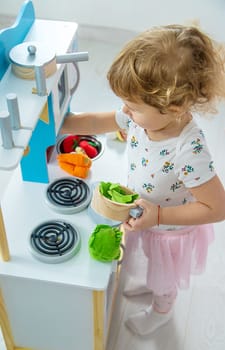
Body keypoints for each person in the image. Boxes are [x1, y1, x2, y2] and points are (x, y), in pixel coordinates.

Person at [61, 24, 225, 335]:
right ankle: (152, 287)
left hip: (169, 231)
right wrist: (62, 124)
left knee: (163, 276)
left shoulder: (188, 150)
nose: (125, 111)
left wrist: (160, 216)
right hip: (145, 216)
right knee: (147, 263)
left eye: (133, 107)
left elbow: (217, 208)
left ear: (173, 107)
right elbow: (101, 120)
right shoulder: (144, 116)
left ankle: (162, 308)